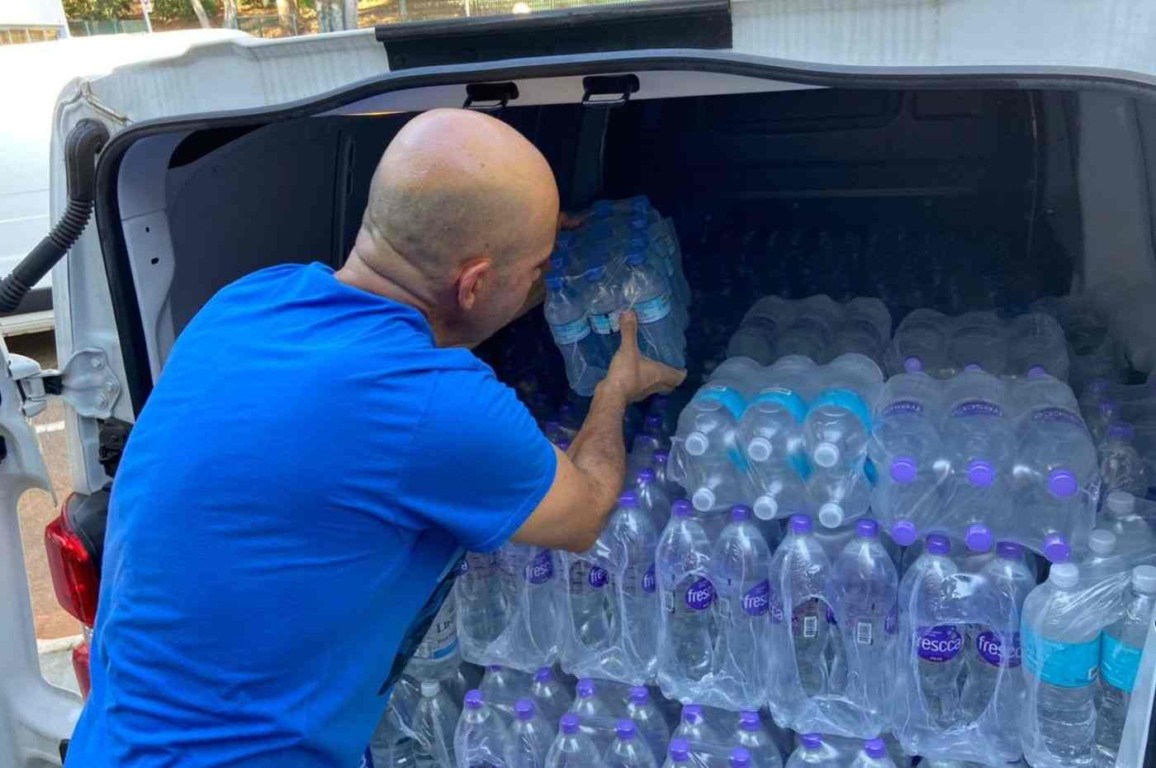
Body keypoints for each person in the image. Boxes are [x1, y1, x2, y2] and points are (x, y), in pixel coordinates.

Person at [65, 109, 685, 766]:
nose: (542, 281)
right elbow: (585, 511)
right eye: (536, 271)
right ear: (474, 282)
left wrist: (520, 252)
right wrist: (614, 388)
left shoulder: (249, 299)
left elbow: (446, 313)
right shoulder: (434, 404)